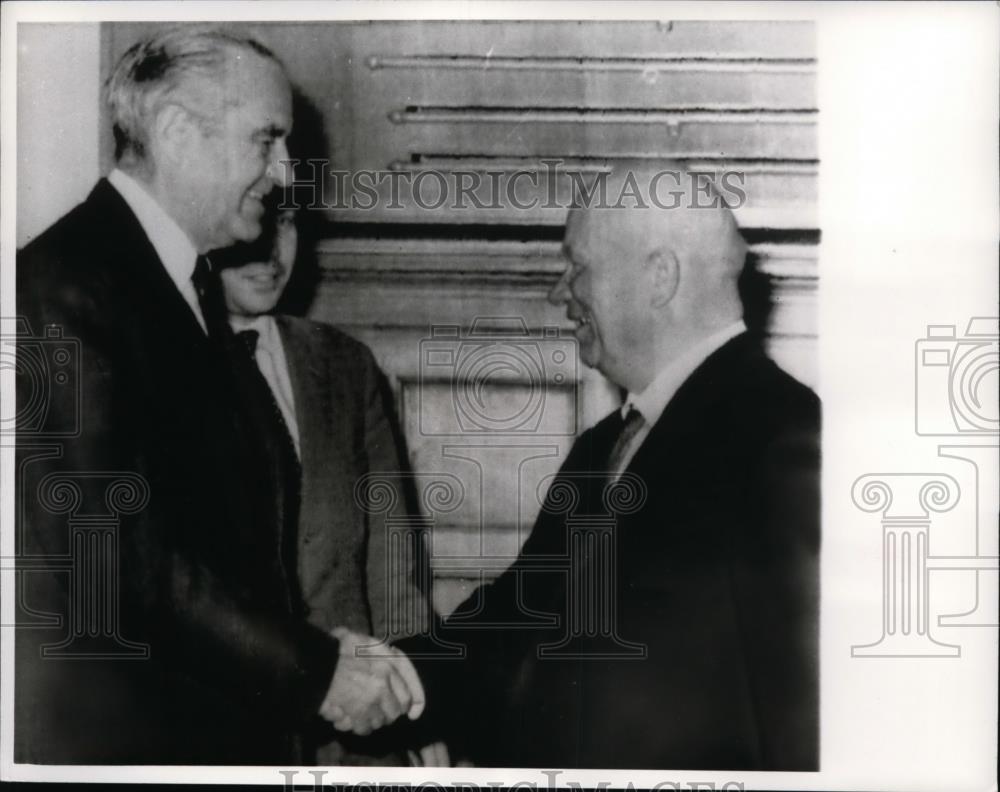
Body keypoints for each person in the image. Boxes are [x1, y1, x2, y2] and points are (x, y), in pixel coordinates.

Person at [15, 26, 415, 764]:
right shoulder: (60, 290)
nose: (284, 170)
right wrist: (317, 672)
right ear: (174, 131)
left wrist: (321, 653)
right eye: (266, 140)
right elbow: (119, 558)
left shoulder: (184, 287)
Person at [390, 163, 820, 770]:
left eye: (578, 266)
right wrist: (393, 673)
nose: (559, 292)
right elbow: (519, 612)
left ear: (660, 277)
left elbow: (796, 708)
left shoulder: (783, 433)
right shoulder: (605, 447)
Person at [215, 205, 434, 765]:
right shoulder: (164, 362)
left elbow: (393, 573)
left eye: (283, 221)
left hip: (354, 744)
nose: (269, 252)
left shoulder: (344, 365)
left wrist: (417, 710)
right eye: (253, 221)